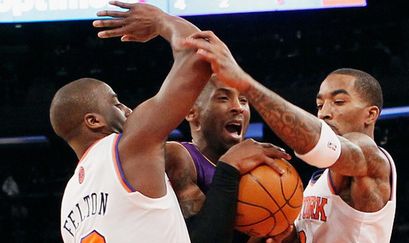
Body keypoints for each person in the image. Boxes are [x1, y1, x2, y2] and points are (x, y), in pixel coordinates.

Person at [52, 2, 290, 242]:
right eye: (116, 103)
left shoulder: (68, 206)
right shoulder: (127, 147)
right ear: (94, 121)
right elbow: (201, 54)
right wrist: (159, 20)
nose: (128, 109)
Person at [182, 31, 397, 243]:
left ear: (371, 114)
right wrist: (282, 232)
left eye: (339, 102)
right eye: (320, 105)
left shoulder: (370, 157)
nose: (324, 113)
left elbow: (318, 145)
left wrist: (245, 83)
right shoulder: (318, 181)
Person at [165, 75, 253, 242]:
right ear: (191, 112)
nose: (238, 108)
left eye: (243, 100)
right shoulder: (178, 155)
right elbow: (205, 238)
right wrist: (230, 166)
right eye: (223, 98)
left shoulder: (254, 168)